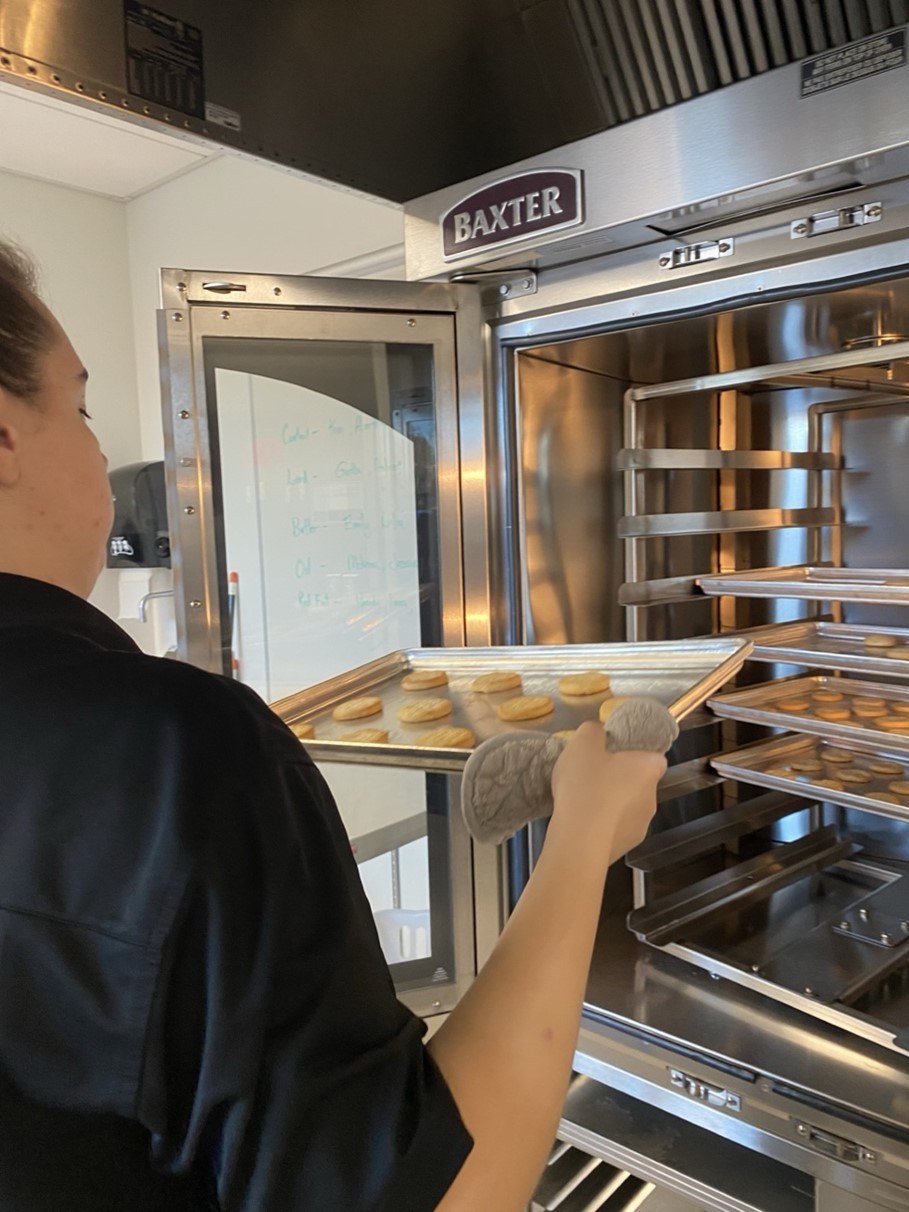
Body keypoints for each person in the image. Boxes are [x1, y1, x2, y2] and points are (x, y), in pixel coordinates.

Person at [0, 239, 665, 1212]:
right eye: (81, 404)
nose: (99, 446)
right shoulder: (166, 752)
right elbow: (442, 1195)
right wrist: (582, 838)